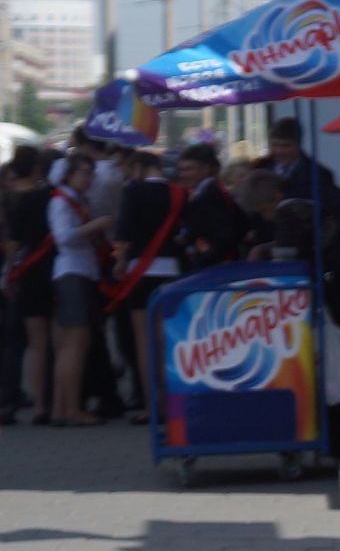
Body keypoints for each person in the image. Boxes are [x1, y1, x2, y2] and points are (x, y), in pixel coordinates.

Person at [236, 167, 340, 456]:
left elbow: (293, 249)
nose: (267, 217)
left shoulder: (294, 204)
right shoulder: (305, 191)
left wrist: (264, 253)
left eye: (265, 209)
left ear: (276, 195)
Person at [111, 149, 188, 426]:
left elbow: (123, 233)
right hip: (172, 271)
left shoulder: (133, 190)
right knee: (168, 338)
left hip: (140, 271)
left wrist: (119, 262)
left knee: (144, 342)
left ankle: (151, 404)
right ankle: (174, 401)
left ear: (140, 168)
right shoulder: (178, 192)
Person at [47, 150, 113, 426]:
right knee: (75, 343)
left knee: (70, 344)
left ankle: (61, 408)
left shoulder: (74, 199)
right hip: (73, 272)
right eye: (83, 173)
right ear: (69, 174)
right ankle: (71, 409)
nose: (88, 178)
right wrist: (95, 225)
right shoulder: (63, 200)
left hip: (79, 272)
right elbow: (64, 237)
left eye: (90, 173)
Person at [1, 148, 55, 425]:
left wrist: (10, 274)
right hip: (52, 270)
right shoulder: (48, 195)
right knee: (49, 341)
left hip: (25, 274)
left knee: (20, 343)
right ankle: (46, 404)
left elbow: (12, 243)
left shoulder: (8, 198)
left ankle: (17, 402)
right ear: (36, 168)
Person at [174, 143, 244, 273]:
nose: (183, 174)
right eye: (181, 170)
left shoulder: (212, 197)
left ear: (205, 169)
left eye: (189, 169)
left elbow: (224, 236)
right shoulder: (204, 193)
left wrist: (202, 260)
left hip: (214, 269)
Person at [266, 116, 336, 197]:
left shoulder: (319, 175)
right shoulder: (260, 169)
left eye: (285, 146)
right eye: (274, 145)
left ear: (298, 144)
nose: (279, 151)